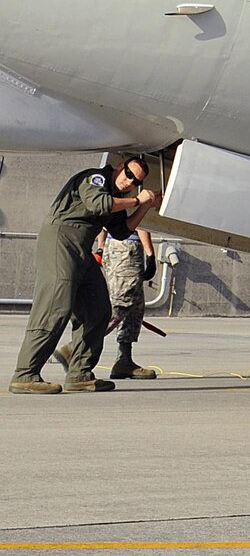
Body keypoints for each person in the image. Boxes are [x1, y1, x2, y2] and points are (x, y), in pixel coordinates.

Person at [11, 156, 157, 394]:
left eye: (135, 182)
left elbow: (120, 231)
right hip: (61, 241)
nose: (129, 182)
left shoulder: (118, 196)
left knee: (98, 309)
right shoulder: (95, 179)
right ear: (120, 166)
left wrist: (144, 206)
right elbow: (98, 204)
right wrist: (136, 199)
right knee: (55, 307)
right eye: (128, 174)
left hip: (82, 249)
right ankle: (26, 373)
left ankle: (80, 374)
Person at [97, 222, 157, 380]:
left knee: (134, 308)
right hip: (127, 247)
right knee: (122, 304)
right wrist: (150, 253)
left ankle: (124, 360)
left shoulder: (114, 196)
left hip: (114, 246)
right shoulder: (135, 197)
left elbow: (103, 219)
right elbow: (142, 220)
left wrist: (101, 246)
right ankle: (76, 348)